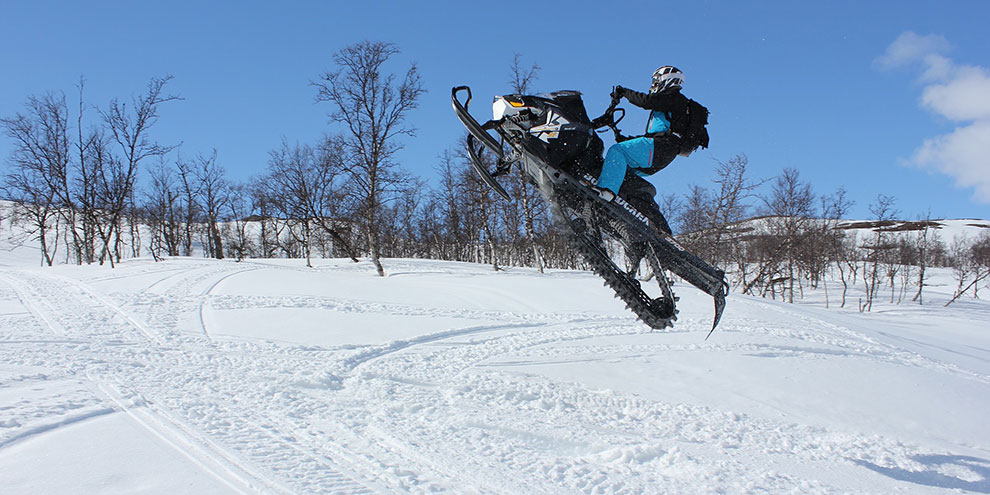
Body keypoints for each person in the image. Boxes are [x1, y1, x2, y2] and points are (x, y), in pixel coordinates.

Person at [588, 66, 709, 235]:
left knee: (616, 151)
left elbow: (646, 102)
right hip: (663, 153)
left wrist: (624, 92)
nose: (653, 85)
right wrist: (627, 140)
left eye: (656, 81)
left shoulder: (674, 98)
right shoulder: (675, 105)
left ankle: (606, 192)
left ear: (667, 80)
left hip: (661, 147)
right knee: (624, 174)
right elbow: (657, 133)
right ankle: (650, 220)